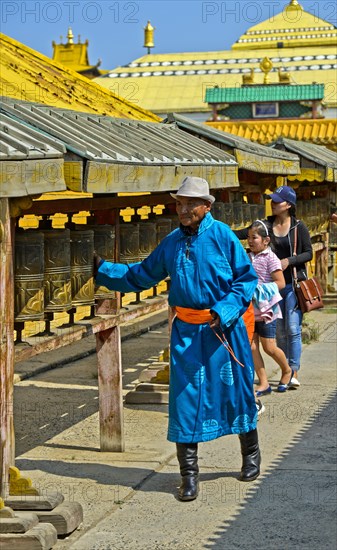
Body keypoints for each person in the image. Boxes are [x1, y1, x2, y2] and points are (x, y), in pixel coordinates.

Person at [94, 176, 260, 502]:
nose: (182, 210)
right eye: (179, 203)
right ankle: (189, 476)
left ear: (206, 206)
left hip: (223, 332)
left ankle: (251, 455)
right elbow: (141, 274)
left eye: (189, 204)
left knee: (236, 393)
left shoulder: (223, 236)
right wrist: (102, 270)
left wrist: (224, 310)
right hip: (186, 334)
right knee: (184, 403)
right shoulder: (171, 242)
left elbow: (246, 279)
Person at [235, 186, 313, 385]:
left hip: (292, 285)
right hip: (269, 291)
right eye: (273, 200)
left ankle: (293, 371)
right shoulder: (266, 225)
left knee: (293, 328)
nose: (273, 203)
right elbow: (244, 233)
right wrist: (221, 231)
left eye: (277, 201)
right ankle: (285, 369)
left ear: (288, 205)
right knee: (278, 332)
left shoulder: (298, 227)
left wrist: (289, 261)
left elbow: (308, 253)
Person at [247, 220, 293, 395]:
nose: (250, 241)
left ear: (266, 240)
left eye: (254, 238)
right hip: (250, 310)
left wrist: (257, 289)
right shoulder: (247, 257)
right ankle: (264, 383)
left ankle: (287, 370)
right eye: (249, 238)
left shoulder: (271, 258)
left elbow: (280, 283)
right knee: (252, 347)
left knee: (269, 347)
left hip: (267, 309)